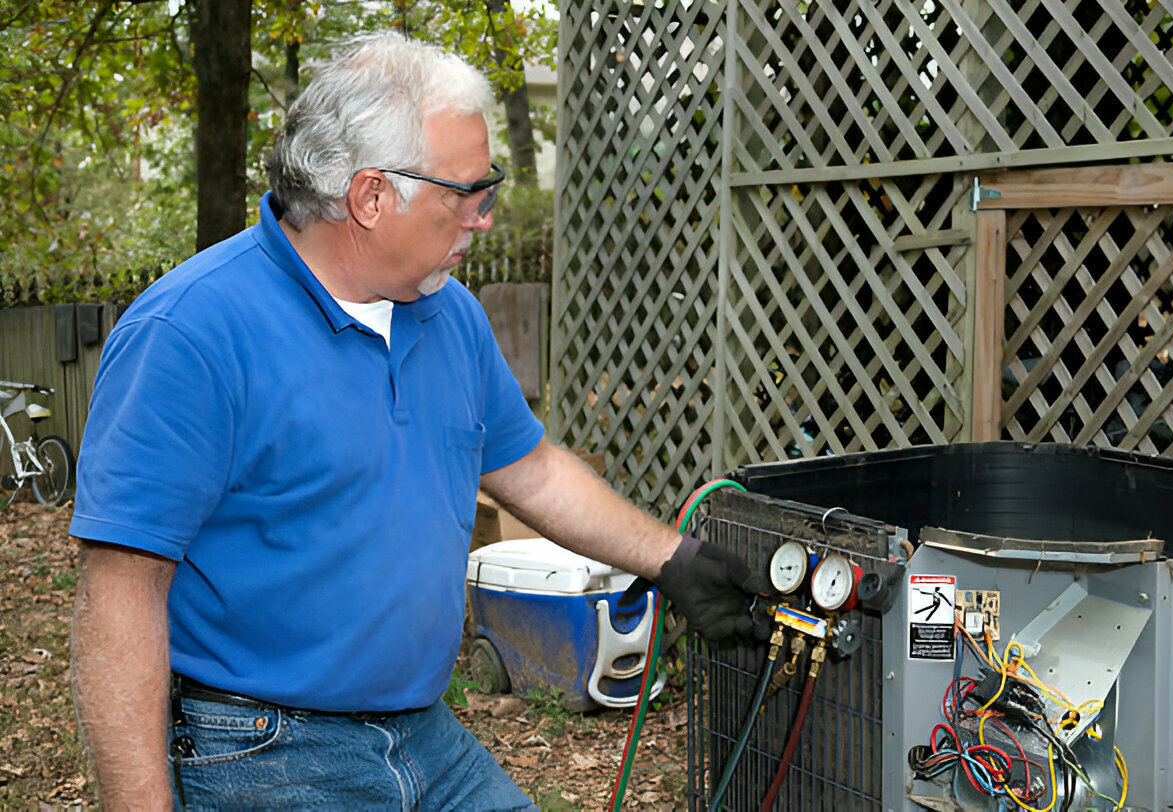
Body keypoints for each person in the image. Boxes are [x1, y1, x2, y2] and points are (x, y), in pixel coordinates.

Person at [69, 33, 764, 809]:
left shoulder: (447, 314)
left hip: (423, 734)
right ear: (371, 197)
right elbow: (121, 592)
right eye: (466, 193)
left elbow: (527, 469)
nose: (484, 218)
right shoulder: (192, 333)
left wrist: (673, 560)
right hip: (262, 750)